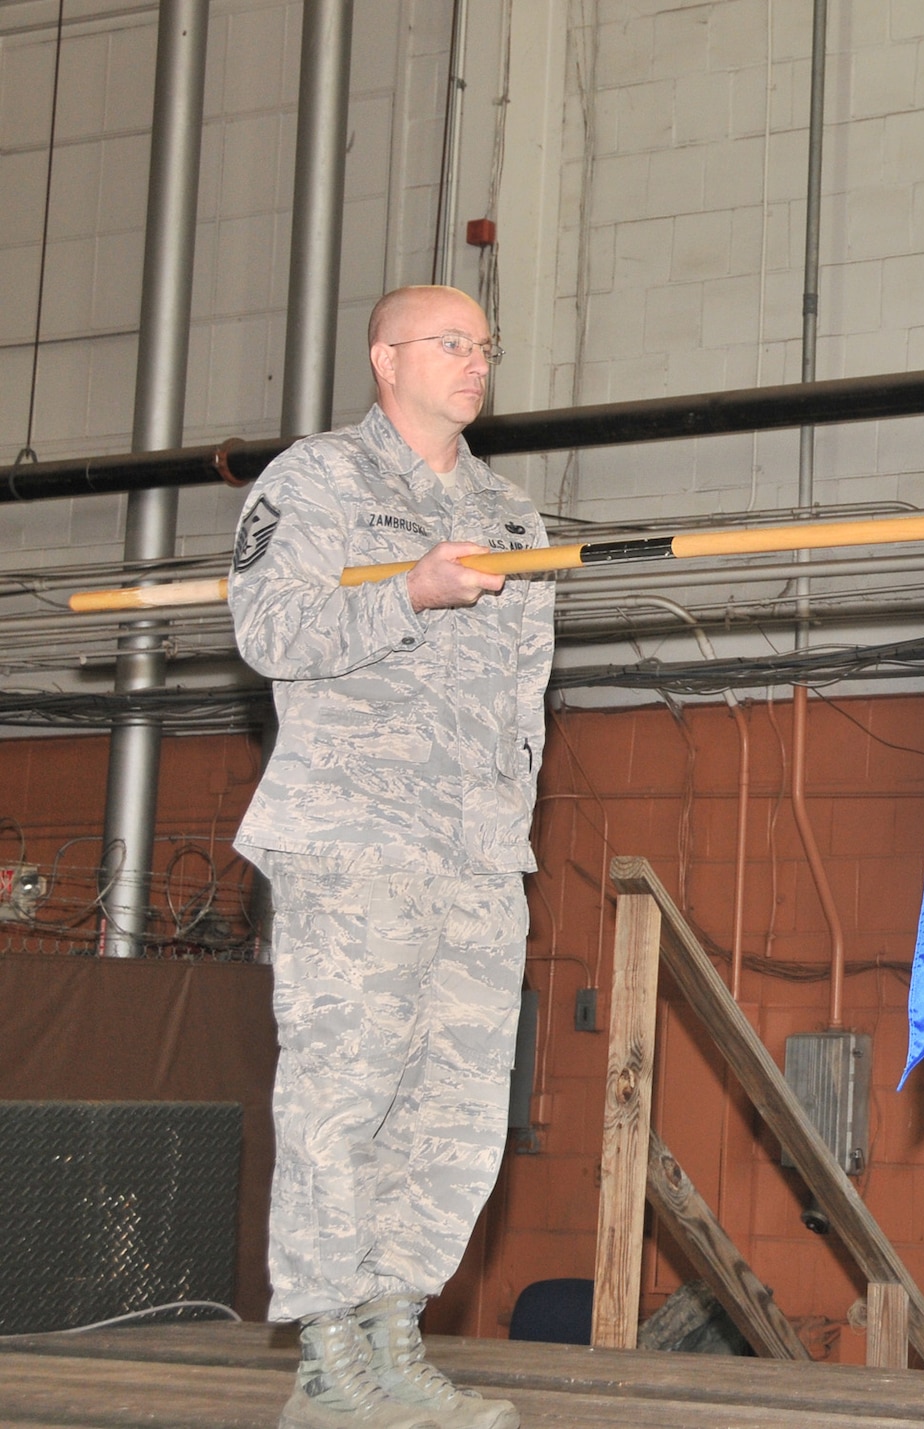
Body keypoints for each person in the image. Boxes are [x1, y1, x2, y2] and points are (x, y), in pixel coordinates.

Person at [230, 285, 554, 1429]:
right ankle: (326, 1356)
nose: (476, 363)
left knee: (457, 1102)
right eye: (451, 343)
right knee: (344, 1091)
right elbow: (266, 629)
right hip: (355, 837)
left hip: (472, 854)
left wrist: (508, 822)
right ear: (385, 357)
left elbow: (527, 694)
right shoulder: (317, 480)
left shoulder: (513, 514)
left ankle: (393, 1333)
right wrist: (409, 593)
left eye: (486, 347)